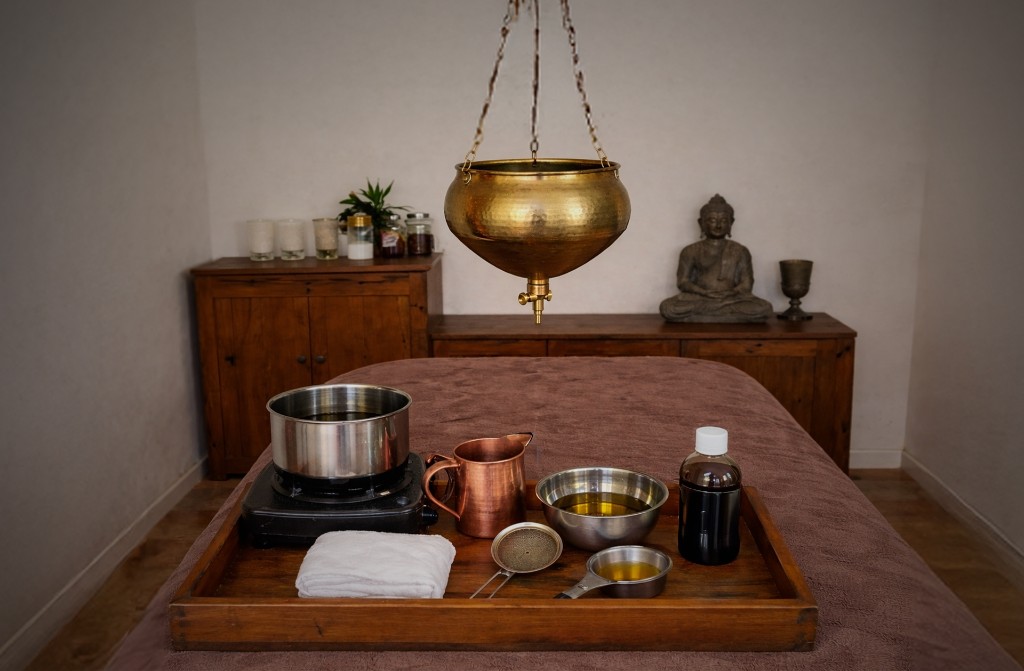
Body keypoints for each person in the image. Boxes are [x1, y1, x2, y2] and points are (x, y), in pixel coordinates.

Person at [659, 194, 773, 323]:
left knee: (765, 308)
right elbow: (683, 282)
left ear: (731, 223)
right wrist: (703, 292)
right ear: (701, 222)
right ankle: (721, 313)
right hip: (700, 298)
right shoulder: (690, 250)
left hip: (731, 299)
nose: (718, 225)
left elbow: (747, 284)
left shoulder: (740, 251)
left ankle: (713, 313)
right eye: (712, 220)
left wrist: (730, 293)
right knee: (668, 308)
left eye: (724, 221)